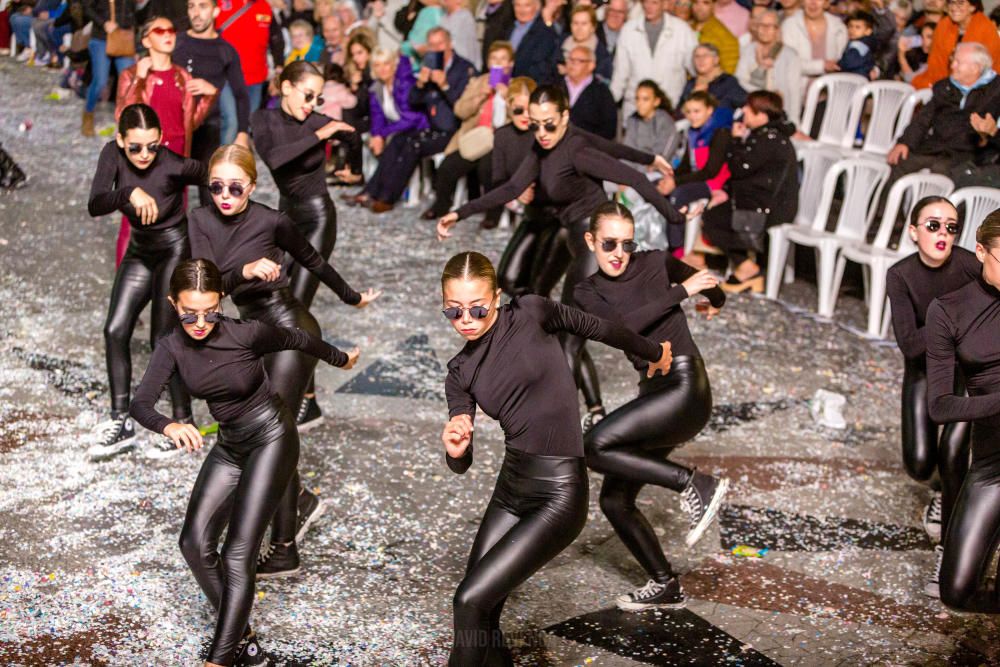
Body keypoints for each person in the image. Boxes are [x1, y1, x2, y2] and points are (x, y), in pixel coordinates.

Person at [440, 251, 673, 664]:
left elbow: (599, 327)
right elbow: (462, 459)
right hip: (512, 490)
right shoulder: (460, 371)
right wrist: (456, 449)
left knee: (468, 601)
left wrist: (652, 352)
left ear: (496, 297)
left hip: (559, 493)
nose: (467, 320)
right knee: (481, 609)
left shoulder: (532, 311)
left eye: (477, 307)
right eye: (453, 312)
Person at [130, 258, 359, 666]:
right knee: (194, 544)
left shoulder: (245, 333)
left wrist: (341, 359)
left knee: (238, 553)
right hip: (231, 444)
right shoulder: (171, 345)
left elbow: (298, 339)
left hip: (272, 437)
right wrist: (168, 426)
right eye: (189, 314)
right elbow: (141, 404)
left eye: (210, 312)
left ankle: (222, 657)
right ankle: (244, 640)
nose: (200, 323)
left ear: (220, 301)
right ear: (172, 303)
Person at [438, 85, 684, 428]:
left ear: (565, 117)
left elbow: (633, 177)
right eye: (535, 125)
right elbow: (510, 189)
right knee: (546, 309)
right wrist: (459, 213)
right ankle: (579, 405)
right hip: (569, 235)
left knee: (569, 333)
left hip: (591, 244)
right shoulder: (542, 149)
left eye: (549, 124)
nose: (541, 133)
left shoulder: (576, 149)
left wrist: (676, 218)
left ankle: (562, 420)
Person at [189, 144, 380, 578]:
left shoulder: (270, 220)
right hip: (258, 335)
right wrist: (245, 272)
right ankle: (297, 511)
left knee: (272, 437)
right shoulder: (200, 220)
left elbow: (313, 259)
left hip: (291, 332)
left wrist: (352, 297)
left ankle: (285, 546)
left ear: (252, 187)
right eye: (215, 186)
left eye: (235, 188)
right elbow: (206, 285)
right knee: (271, 436)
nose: (224, 195)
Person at [574, 201, 730, 610]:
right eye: (609, 244)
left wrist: (713, 298)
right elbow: (619, 330)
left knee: (594, 446)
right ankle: (665, 584)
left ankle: (695, 483)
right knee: (614, 500)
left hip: (683, 389)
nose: (619, 253)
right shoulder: (586, 291)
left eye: (627, 244)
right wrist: (682, 292)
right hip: (654, 395)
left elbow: (711, 284)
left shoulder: (656, 261)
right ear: (591, 240)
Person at [86, 104, 204, 461]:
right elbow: (95, 204)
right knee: (115, 330)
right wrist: (128, 193)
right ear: (120, 140)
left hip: (173, 250)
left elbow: (216, 178)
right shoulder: (113, 155)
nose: (144, 155)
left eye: (152, 146)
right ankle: (121, 421)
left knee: (163, 338)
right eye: (135, 147)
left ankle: (184, 419)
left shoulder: (172, 163)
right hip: (139, 251)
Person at [250, 60, 356, 428]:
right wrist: (322, 135)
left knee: (295, 307)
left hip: (318, 219)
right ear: (285, 87)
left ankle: (302, 399)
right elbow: (277, 158)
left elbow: (351, 134)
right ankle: (303, 396)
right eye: (307, 95)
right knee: (281, 303)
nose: (312, 104)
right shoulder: (263, 121)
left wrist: (350, 158)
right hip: (286, 219)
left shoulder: (315, 122)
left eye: (318, 97)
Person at [886, 196, 977, 598]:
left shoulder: (970, 265)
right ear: (913, 230)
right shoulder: (900, 274)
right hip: (924, 371)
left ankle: (948, 551)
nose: (943, 234)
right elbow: (909, 344)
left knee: (954, 457)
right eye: (934, 225)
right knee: (921, 463)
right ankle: (936, 486)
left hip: (967, 374)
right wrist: (951, 320)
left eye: (952, 227)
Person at [926, 210, 1000, 615]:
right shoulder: (949, 310)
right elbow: (940, 406)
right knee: (956, 593)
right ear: (980, 251)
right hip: (993, 463)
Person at [350, 28, 474, 212]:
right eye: (431, 45)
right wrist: (421, 84)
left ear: (450, 44)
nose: (436, 48)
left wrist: (444, 85)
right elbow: (415, 101)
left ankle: (388, 197)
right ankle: (372, 191)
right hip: (431, 126)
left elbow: (463, 107)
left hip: (453, 129)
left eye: (440, 43)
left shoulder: (464, 69)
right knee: (399, 141)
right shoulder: (429, 65)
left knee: (411, 144)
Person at [699, 90, 798, 290]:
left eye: (749, 108)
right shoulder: (767, 135)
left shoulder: (769, 139)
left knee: (713, 219)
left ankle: (746, 266)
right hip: (760, 200)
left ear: (761, 115)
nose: (743, 110)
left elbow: (739, 168)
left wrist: (735, 141)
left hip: (770, 207)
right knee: (714, 214)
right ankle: (745, 265)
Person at [422, 41, 517, 225]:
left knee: (487, 168)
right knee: (448, 166)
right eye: (494, 59)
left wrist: (505, 97)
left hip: (501, 143)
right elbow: (459, 110)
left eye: (503, 59)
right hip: (475, 139)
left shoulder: (516, 86)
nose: (498, 63)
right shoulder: (478, 82)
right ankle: (441, 205)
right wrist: (480, 95)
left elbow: (522, 118)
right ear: (488, 63)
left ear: (510, 64)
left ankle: (493, 214)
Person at [886, 43, 1000, 191]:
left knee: (941, 174)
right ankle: (885, 213)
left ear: (975, 68)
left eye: (958, 62)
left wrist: (989, 132)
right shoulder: (945, 86)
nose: (952, 66)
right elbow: (923, 119)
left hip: (967, 153)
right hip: (937, 146)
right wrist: (905, 142)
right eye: (953, 60)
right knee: (899, 161)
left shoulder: (995, 91)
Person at [173, 0, 252, 203]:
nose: (196, 13)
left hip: (210, 131)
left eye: (203, 6)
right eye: (191, 6)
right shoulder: (176, 42)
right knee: (170, 195)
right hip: (175, 129)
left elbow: (241, 95)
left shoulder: (225, 50)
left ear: (216, 10)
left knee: (210, 196)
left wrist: (242, 133)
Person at [116, 16, 218, 157]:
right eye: (159, 31)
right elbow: (122, 117)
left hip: (177, 155)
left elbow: (190, 124)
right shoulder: (130, 74)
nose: (167, 34)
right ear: (146, 41)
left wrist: (210, 96)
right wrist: (138, 79)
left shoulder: (183, 75)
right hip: (146, 155)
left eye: (171, 30)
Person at [660, 91, 731, 251]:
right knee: (656, 186)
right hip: (696, 178)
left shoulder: (720, 133)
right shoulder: (692, 133)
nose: (692, 116)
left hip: (713, 183)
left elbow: (710, 171)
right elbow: (686, 165)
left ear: (709, 110)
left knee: (678, 195)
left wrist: (676, 183)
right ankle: (656, 241)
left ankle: (676, 248)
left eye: (697, 111)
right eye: (689, 112)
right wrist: (669, 177)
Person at [611, 0, 697, 120]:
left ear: (664, 4)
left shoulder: (682, 31)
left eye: (654, 2)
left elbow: (696, 71)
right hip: (635, 111)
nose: (648, 7)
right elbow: (620, 75)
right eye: (646, 2)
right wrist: (609, 104)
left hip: (670, 111)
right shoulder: (629, 30)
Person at [735, 9, 803, 126]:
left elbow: (794, 92)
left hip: (779, 112)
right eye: (762, 25)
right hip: (753, 109)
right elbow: (739, 81)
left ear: (777, 30)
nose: (765, 30)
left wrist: (794, 122)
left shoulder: (790, 55)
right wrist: (767, 96)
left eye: (770, 26)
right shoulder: (748, 50)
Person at [912, 0, 1000, 89]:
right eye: (951, 2)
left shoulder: (987, 30)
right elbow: (935, 64)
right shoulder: (943, 25)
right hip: (943, 83)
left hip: (978, 88)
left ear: (972, 7)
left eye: (960, 3)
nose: (954, 7)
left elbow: (985, 72)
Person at [81, 0, 137, 137]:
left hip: (124, 37)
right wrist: (104, 23)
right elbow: (86, 7)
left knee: (129, 84)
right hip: (101, 37)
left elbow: (135, 12)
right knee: (100, 82)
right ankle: (88, 114)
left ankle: (127, 122)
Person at [780, 0, 848, 90]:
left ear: (826, 3)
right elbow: (788, 64)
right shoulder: (790, 26)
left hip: (831, 93)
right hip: (797, 92)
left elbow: (841, 62)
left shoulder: (838, 27)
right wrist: (822, 66)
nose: (813, 3)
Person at [562, 45, 618, 139]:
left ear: (591, 65)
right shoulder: (555, 85)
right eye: (570, 59)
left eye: (579, 61)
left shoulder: (602, 92)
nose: (572, 64)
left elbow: (609, 129)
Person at [678, 42, 747, 111]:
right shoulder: (691, 83)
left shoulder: (727, 82)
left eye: (705, 56)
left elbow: (746, 105)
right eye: (697, 56)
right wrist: (693, 95)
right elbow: (678, 113)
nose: (701, 60)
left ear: (716, 60)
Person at [505, 0, 560, 85]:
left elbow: (541, 68)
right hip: (504, 86)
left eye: (527, 5)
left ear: (537, 7)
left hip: (528, 88)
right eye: (517, 5)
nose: (521, 10)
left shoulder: (544, 32)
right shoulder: (508, 29)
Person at [560, 4, 613, 82]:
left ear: (593, 27)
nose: (579, 28)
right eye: (575, 23)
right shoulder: (560, 44)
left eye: (584, 24)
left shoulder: (601, 54)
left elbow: (604, 82)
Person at [689, 0, 740, 73]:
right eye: (695, 2)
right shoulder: (686, 28)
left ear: (713, 6)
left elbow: (728, 75)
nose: (699, 8)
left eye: (705, 3)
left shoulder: (725, 37)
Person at [439, 0, 480, 69]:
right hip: (447, 66)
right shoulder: (443, 19)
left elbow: (471, 46)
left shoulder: (465, 17)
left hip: (463, 66)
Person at [838, 9, 878, 77]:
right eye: (850, 26)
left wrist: (838, 64)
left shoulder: (858, 45)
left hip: (857, 79)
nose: (852, 30)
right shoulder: (864, 43)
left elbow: (849, 63)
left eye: (857, 27)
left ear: (868, 31)